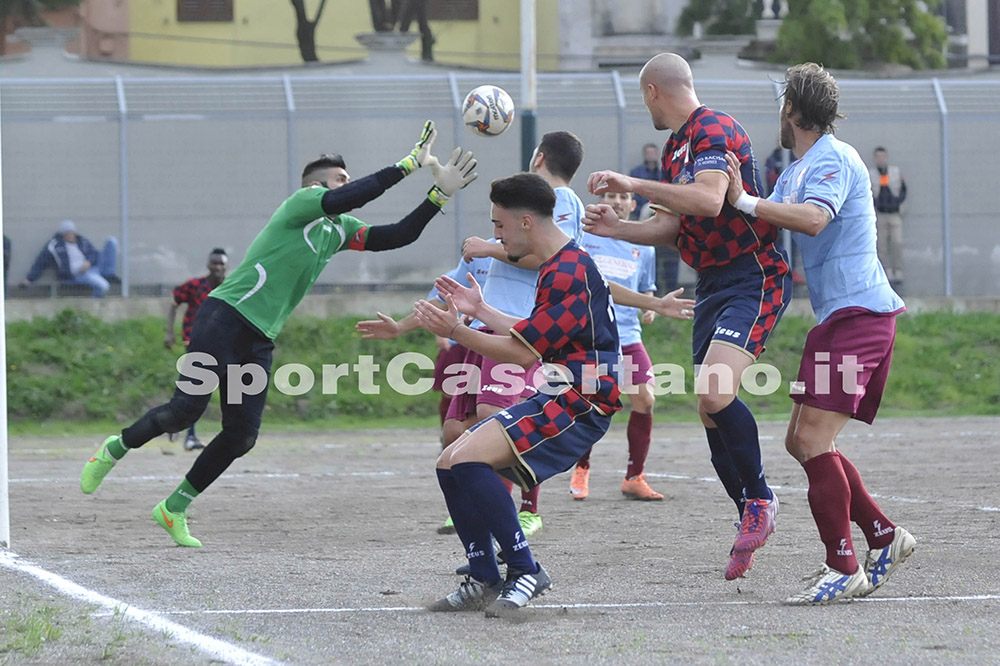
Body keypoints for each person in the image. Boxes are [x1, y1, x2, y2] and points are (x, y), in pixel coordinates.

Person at [79, 121, 478, 548]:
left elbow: (397, 236)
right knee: (184, 411)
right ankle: (116, 447)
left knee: (241, 435)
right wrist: (407, 164)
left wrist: (439, 194)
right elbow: (350, 196)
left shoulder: (339, 229)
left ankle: (172, 508)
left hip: (257, 339)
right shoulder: (301, 204)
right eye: (341, 178)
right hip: (225, 318)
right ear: (317, 186)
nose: (348, 184)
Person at [583, 52, 792, 582]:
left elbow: (708, 199)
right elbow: (671, 226)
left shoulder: (713, 128)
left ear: (652, 91)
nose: (645, 108)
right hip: (713, 282)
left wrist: (632, 184)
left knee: (716, 393)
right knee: (708, 407)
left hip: (753, 274)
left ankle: (761, 500)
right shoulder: (676, 146)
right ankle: (749, 514)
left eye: (643, 99)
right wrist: (617, 230)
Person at [724, 62, 915, 605]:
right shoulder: (797, 169)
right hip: (841, 320)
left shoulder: (834, 157)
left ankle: (843, 566)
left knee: (810, 441)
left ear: (792, 109)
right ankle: (884, 535)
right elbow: (760, 222)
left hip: (861, 318)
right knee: (802, 441)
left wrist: (741, 199)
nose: (777, 113)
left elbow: (810, 220)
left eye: (781, 104)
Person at [414, 172, 624, 616]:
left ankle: (526, 569)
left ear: (525, 221)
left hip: (583, 398)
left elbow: (520, 354)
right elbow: (533, 334)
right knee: (449, 462)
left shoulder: (566, 271)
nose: (496, 236)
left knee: (468, 460)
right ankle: (484, 576)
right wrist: (480, 309)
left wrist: (456, 330)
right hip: (563, 389)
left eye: (499, 225)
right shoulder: (563, 263)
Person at [571, 190, 665, 501]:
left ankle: (634, 477)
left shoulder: (644, 246)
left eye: (623, 197)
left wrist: (650, 306)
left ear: (632, 204)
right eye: (610, 196)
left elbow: (646, 287)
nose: (616, 201)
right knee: (590, 404)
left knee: (645, 399)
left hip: (628, 336)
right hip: (593, 338)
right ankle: (582, 466)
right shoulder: (586, 238)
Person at [164, 248, 230, 452]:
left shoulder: (231, 287)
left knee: (225, 386)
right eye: (214, 263)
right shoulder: (195, 285)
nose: (217, 267)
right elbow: (174, 302)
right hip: (195, 341)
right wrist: (169, 332)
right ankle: (188, 433)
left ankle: (173, 420)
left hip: (222, 343)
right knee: (196, 386)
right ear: (208, 265)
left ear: (226, 266)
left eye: (221, 263)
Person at [21, 220, 120, 298]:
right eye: (67, 234)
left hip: (93, 267)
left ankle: (108, 274)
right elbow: (40, 262)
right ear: (62, 235)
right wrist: (29, 279)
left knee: (111, 241)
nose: (71, 236)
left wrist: (89, 262)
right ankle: (95, 302)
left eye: (72, 233)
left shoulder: (82, 241)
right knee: (104, 286)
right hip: (80, 274)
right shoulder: (54, 246)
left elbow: (94, 254)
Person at [868, 146, 907, 290]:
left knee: (897, 242)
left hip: (894, 213)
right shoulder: (871, 175)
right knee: (881, 245)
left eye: (883, 156)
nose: (881, 159)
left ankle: (898, 271)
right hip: (880, 215)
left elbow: (903, 189)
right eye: (878, 157)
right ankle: (886, 271)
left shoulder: (895, 172)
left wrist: (898, 203)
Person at [628, 143, 662, 220]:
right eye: (649, 153)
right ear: (644, 155)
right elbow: (631, 193)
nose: (651, 155)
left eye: (653, 153)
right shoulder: (636, 173)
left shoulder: (663, 172)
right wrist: (639, 210)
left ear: (657, 154)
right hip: (639, 213)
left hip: (659, 211)